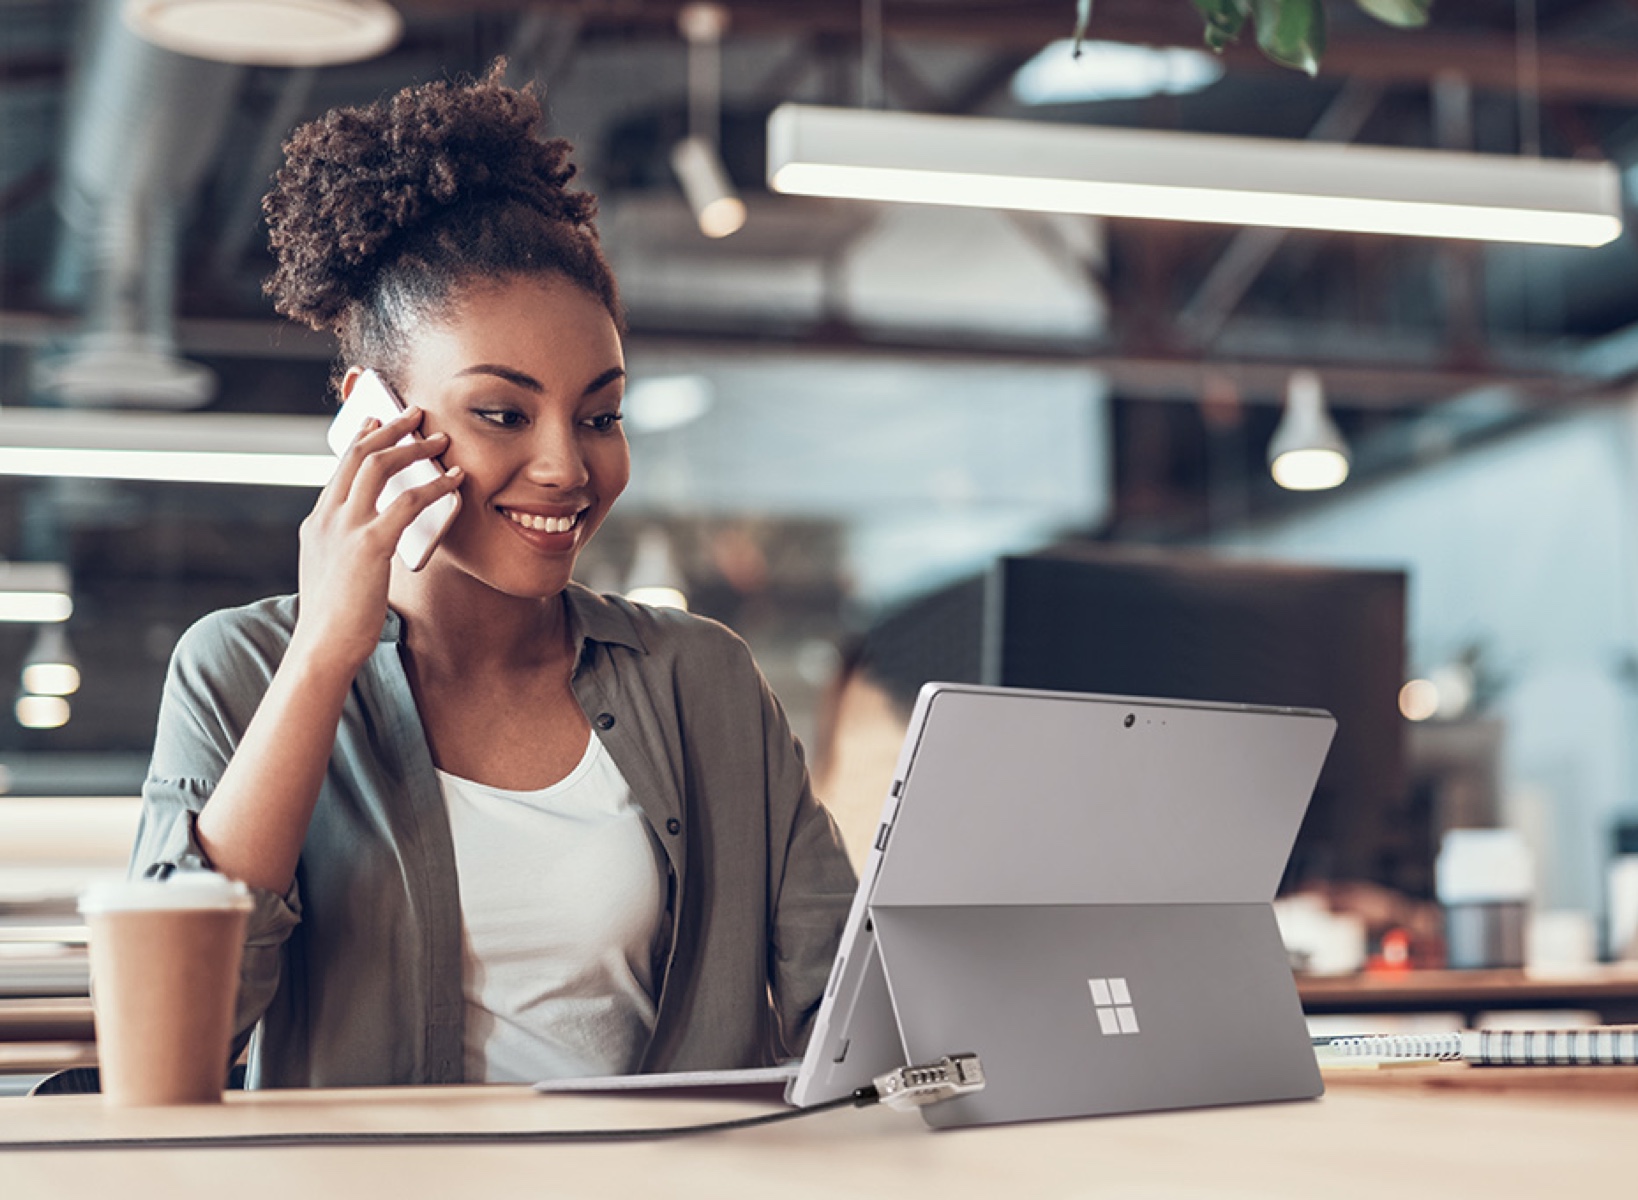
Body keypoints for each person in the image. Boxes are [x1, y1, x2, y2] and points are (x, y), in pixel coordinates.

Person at [130, 62, 857, 1090]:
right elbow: (178, 1036)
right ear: (371, 417)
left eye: (600, 415)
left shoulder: (700, 678)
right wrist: (325, 655)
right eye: (504, 414)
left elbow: (857, 999)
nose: (567, 464)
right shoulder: (241, 668)